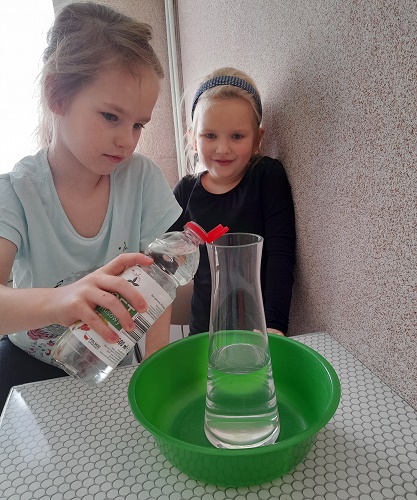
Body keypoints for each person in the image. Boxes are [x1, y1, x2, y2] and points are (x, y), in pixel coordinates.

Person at [0, 2, 181, 408]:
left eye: (138, 124)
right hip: (27, 367)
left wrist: (155, 366)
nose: (127, 140)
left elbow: (161, 280)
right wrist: (61, 300)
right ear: (57, 95)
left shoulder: (142, 179)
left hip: (107, 361)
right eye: (111, 116)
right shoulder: (16, 191)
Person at [169, 67, 296, 336]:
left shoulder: (266, 177)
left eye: (236, 136)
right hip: (204, 332)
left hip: (259, 331)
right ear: (193, 139)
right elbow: (164, 260)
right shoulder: (185, 191)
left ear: (257, 139)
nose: (223, 148)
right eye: (210, 135)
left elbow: (280, 255)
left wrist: (274, 326)